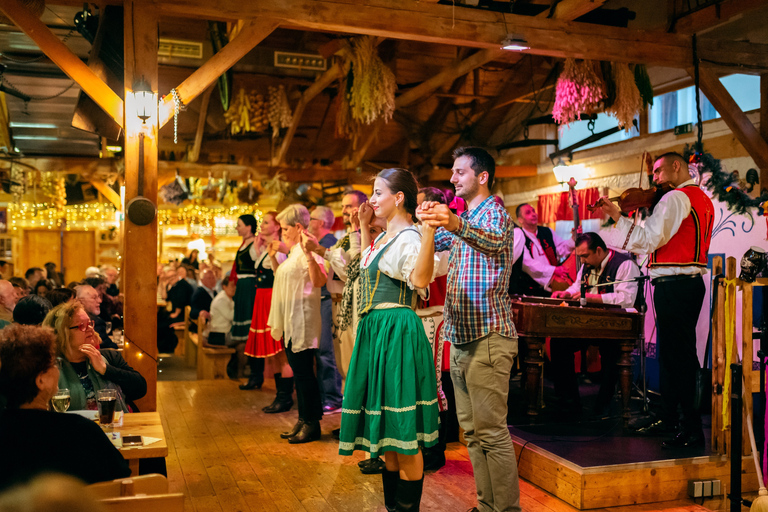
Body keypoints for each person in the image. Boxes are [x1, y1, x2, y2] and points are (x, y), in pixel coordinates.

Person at [419, 147, 520, 512]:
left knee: (492, 432)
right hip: (461, 338)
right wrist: (419, 222)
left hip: (489, 338)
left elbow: (490, 241)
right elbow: (428, 244)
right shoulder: (462, 218)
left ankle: (506, 509)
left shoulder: (494, 215)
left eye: (459, 171)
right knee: (474, 435)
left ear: (482, 177)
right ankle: (486, 504)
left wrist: (452, 222)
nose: (451, 178)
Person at [597, 151, 714, 448]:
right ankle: (672, 418)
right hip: (688, 284)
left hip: (675, 286)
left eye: (660, 171)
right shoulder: (700, 198)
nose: (656, 178)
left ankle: (690, 428)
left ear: (678, 167)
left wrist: (617, 216)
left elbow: (648, 240)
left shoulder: (675, 198)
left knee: (679, 358)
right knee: (676, 356)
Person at [339, 168, 440, 512]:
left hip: (396, 331)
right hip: (379, 331)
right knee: (389, 440)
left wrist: (427, 234)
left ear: (399, 198)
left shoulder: (410, 238)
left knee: (404, 436)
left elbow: (421, 278)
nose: (372, 199)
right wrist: (365, 228)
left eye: (378, 193)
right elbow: (368, 267)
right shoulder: (386, 237)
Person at [0, 323, 130, 490]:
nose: (57, 370)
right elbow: (121, 482)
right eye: (53, 364)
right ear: (41, 381)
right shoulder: (80, 431)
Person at [550, 232, 641, 415]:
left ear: (598, 250)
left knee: (612, 353)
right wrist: (567, 293)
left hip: (616, 326)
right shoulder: (587, 265)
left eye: (585, 255)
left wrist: (594, 297)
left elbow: (627, 299)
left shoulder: (624, 265)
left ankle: (603, 405)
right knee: (558, 343)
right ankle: (570, 402)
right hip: (589, 324)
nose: (582, 261)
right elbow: (578, 286)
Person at [268, 204, 327, 443]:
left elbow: (320, 280)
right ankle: (303, 419)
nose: (281, 233)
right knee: (300, 374)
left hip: (303, 319)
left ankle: (312, 423)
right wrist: (274, 258)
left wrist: (312, 256)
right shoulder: (294, 251)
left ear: (298, 227)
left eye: (284, 228)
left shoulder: (306, 249)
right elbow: (281, 276)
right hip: (291, 319)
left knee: (304, 375)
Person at [43, 301, 147, 412]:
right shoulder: (50, 368)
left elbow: (140, 389)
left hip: (113, 425)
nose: (90, 329)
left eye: (89, 323)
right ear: (62, 333)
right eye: (81, 326)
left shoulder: (109, 356)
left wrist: (105, 369)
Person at [242, 211, 285, 390]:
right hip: (262, 297)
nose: (262, 225)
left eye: (267, 222)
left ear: (277, 227)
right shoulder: (265, 248)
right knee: (271, 350)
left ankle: (283, 393)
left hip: (271, 296)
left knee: (277, 348)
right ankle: (277, 390)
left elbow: (280, 273)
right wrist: (259, 247)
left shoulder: (279, 248)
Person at [308, 205, 343, 413]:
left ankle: (332, 397)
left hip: (326, 300)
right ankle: (325, 396)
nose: (308, 222)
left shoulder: (328, 244)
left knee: (325, 351)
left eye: (311, 219)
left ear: (320, 223)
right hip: (321, 300)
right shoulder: (322, 243)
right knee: (321, 351)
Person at [509, 203, 576, 297]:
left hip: (553, 284)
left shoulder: (547, 231)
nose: (533, 214)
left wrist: (573, 239)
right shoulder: (519, 236)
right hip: (531, 290)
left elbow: (561, 248)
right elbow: (528, 264)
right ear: (520, 219)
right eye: (528, 212)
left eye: (533, 211)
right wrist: (554, 270)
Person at [75, 284, 116, 350]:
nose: (100, 301)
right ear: (80, 302)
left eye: (99, 297)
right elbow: (111, 348)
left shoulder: (73, 321)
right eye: (94, 298)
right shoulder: (94, 323)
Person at [208, 272, 236, 347]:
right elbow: (231, 316)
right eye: (232, 286)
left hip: (224, 334)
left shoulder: (228, 298)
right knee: (245, 341)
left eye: (236, 286)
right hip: (218, 336)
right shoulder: (221, 300)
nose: (235, 288)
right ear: (224, 287)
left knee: (244, 344)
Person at [189, 269, 217, 334]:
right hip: (202, 328)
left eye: (213, 278)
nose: (212, 280)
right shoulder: (199, 292)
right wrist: (201, 312)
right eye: (209, 278)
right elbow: (193, 312)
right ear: (202, 280)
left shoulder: (215, 292)